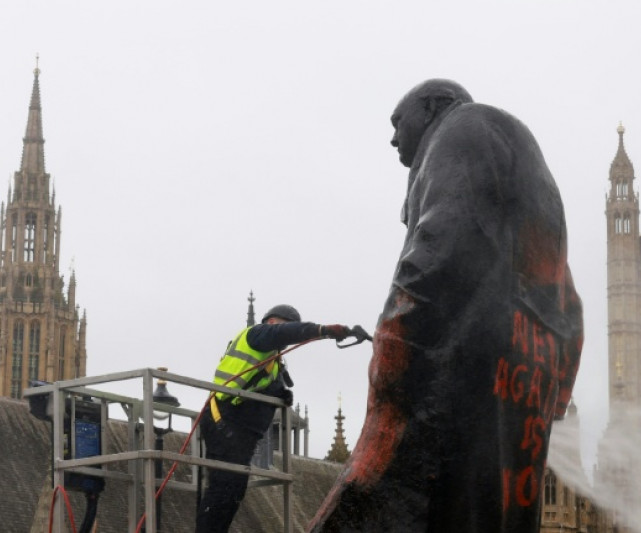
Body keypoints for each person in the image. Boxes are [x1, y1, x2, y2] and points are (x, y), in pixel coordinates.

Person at [308, 80, 584, 532]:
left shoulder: (461, 128)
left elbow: (442, 242)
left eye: (398, 122)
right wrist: (559, 385)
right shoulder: (529, 162)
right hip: (528, 374)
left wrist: (394, 338)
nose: (393, 138)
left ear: (433, 106)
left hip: (460, 360)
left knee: (391, 502)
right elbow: (562, 292)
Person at [196, 304, 351, 533]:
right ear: (271, 322)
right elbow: (284, 333)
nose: (286, 340)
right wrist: (323, 330)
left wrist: (281, 394)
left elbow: (260, 385)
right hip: (224, 422)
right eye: (287, 327)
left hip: (240, 431)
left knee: (234, 490)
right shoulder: (256, 335)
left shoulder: (272, 360)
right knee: (223, 487)